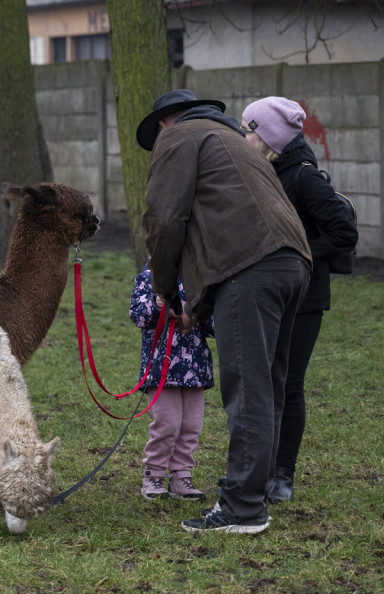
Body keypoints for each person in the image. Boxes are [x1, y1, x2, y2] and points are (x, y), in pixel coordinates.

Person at [136, 89, 311, 534]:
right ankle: (255, 490)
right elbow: (231, 215)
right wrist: (198, 303)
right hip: (293, 263)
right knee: (270, 383)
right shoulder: (233, 140)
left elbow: (165, 218)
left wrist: (164, 290)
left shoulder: (179, 138)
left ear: (162, 124)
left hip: (250, 267)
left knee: (248, 389)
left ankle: (243, 508)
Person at [241, 96, 359, 504]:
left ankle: (283, 474)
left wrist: (296, 251)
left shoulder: (305, 178)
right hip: (269, 295)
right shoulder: (261, 171)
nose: (243, 135)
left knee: (289, 385)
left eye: (249, 128)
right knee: (266, 382)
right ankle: (263, 466)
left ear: (268, 135)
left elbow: (344, 234)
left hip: (304, 299)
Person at [130, 264, 214, 501]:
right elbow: (137, 315)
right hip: (160, 368)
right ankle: (153, 474)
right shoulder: (149, 277)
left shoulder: (199, 277)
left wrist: (202, 316)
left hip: (195, 369)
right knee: (167, 424)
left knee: (191, 425)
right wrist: (159, 307)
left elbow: (210, 320)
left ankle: (181, 476)